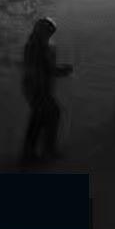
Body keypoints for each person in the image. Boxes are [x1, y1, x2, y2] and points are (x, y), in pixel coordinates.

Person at [21, 17, 73, 163]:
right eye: (48, 32)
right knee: (47, 116)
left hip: (39, 89)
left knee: (42, 118)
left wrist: (61, 70)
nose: (49, 35)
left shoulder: (41, 45)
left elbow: (48, 68)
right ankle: (42, 151)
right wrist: (60, 71)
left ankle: (36, 151)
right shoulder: (35, 48)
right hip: (38, 89)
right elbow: (40, 70)